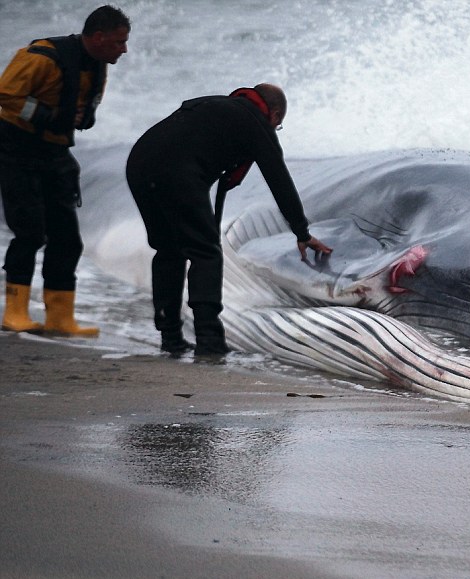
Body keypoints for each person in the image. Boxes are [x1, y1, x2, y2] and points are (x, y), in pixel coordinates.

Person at [126, 83, 331, 356]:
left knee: (169, 250)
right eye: (278, 125)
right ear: (275, 114)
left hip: (139, 162)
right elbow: (279, 179)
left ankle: (170, 337)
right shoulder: (255, 122)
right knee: (205, 253)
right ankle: (210, 341)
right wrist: (302, 232)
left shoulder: (216, 106)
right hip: (176, 172)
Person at [0, 5, 130, 336]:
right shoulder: (43, 57)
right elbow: (6, 93)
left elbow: (85, 108)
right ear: (98, 38)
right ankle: (14, 312)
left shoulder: (98, 66)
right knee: (30, 232)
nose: (124, 49)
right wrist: (45, 115)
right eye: (118, 42)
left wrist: (80, 118)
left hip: (55, 153)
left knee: (68, 239)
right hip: (16, 149)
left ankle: (60, 317)